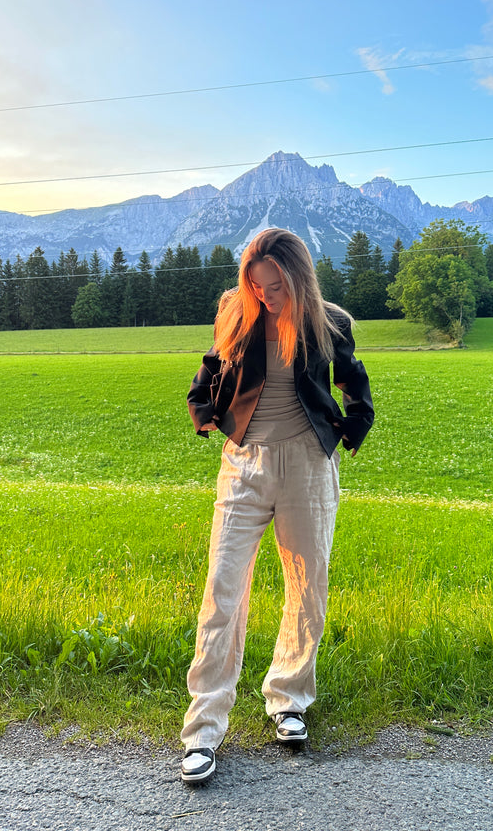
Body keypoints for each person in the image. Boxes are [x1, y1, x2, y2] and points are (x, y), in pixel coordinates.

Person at [180, 228, 374, 784]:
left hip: (308, 465)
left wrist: (352, 430)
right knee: (223, 589)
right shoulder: (235, 313)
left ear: (298, 279)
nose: (266, 295)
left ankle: (288, 700)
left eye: (277, 286)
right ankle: (203, 729)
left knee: (307, 586)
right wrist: (204, 414)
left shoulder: (327, 320)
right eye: (257, 285)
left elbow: (356, 388)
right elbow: (207, 376)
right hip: (244, 464)